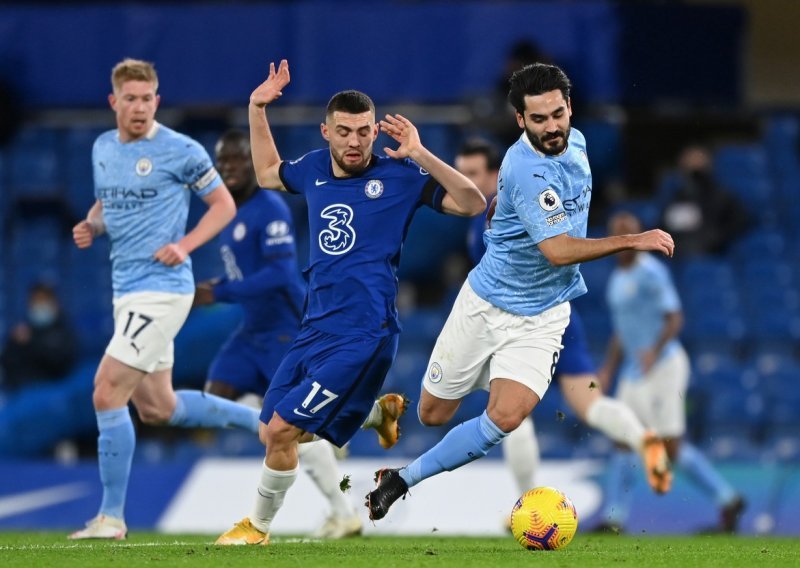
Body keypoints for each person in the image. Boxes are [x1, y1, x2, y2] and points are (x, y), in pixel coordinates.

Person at [365, 62, 675, 522]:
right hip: (485, 306)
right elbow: (557, 250)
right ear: (520, 121)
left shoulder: (580, 142)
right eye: (539, 119)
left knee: (506, 419)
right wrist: (633, 239)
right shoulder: (524, 169)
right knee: (433, 414)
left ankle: (400, 479)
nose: (552, 127)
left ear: (569, 106)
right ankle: (405, 402)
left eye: (557, 114)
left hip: (544, 317)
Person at [215, 59, 486, 545]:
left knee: (280, 431)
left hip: (364, 332)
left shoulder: (400, 177)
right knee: (269, 435)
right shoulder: (314, 168)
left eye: (364, 131)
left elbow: (472, 203)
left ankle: (256, 529)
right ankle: (374, 415)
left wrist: (421, 153)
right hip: (313, 327)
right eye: (344, 131)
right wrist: (257, 107)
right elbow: (267, 173)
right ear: (326, 132)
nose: (355, 141)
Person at [67, 58, 265, 540]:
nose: (139, 107)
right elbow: (107, 201)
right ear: (113, 102)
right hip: (127, 291)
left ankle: (111, 518)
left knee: (106, 390)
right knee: (159, 407)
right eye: (129, 99)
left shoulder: (181, 150)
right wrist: (93, 224)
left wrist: (186, 246)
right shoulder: (102, 149)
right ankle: (267, 423)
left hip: (162, 292)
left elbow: (224, 205)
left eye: (147, 98)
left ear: (157, 100)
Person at [456, 138, 673, 501]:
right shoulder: (525, 201)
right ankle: (642, 438)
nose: (466, 182)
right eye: (461, 174)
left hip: (516, 324)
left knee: (507, 416)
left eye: (474, 174)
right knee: (589, 403)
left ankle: (529, 505)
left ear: (497, 174)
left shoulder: (496, 216)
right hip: (560, 318)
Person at [193, 129, 362, 539]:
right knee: (213, 398)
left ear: (251, 164)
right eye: (224, 162)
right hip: (252, 331)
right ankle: (336, 420)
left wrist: (221, 291)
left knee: (286, 424)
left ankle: (344, 511)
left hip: (286, 333)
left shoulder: (268, 208)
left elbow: (280, 273)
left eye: (237, 160)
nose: (230, 168)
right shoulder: (230, 209)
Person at [594, 211, 745, 534]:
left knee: (671, 447)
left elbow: (675, 318)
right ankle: (614, 519)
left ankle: (728, 499)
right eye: (617, 234)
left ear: (638, 239)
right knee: (622, 437)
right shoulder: (616, 279)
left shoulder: (651, 272)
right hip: (635, 369)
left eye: (628, 234)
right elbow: (622, 331)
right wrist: (608, 368)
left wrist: (655, 350)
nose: (624, 244)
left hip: (664, 366)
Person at [657, 144, 750, 257]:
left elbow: (740, 221)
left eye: (697, 160)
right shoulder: (675, 198)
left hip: (712, 255)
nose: (693, 165)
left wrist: (715, 239)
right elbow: (665, 226)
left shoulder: (721, 196)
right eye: (689, 161)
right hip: (679, 255)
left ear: (708, 164)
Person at [1, 283, 78, 392]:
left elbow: (60, 363)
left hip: (53, 395)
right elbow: (7, 364)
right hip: (23, 395)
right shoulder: (21, 332)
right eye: (36, 301)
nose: (40, 305)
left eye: (44, 300)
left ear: (55, 303)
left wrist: (31, 341)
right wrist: (14, 343)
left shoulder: (64, 331)